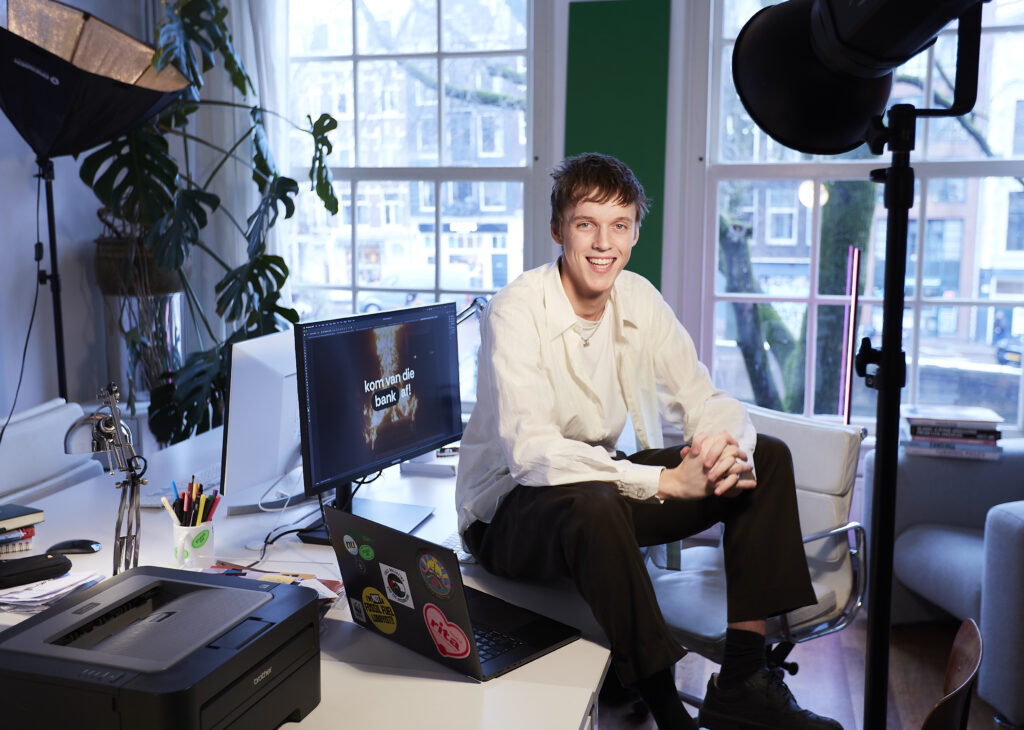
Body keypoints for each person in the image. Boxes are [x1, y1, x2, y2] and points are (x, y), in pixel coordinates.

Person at [455, 152, 843, 730]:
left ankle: (743, 680)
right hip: (507, 512)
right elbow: (532, 455)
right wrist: (663, 480)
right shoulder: (516, 310)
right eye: (586, 223)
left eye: (620, 224)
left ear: (636, 232)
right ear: (557, 230)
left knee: (763, 455)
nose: (602, 243)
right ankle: (668, 711)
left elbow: (702, 395)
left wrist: (715, 446)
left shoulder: (636, 296)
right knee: (595, 502)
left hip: (601, 493)